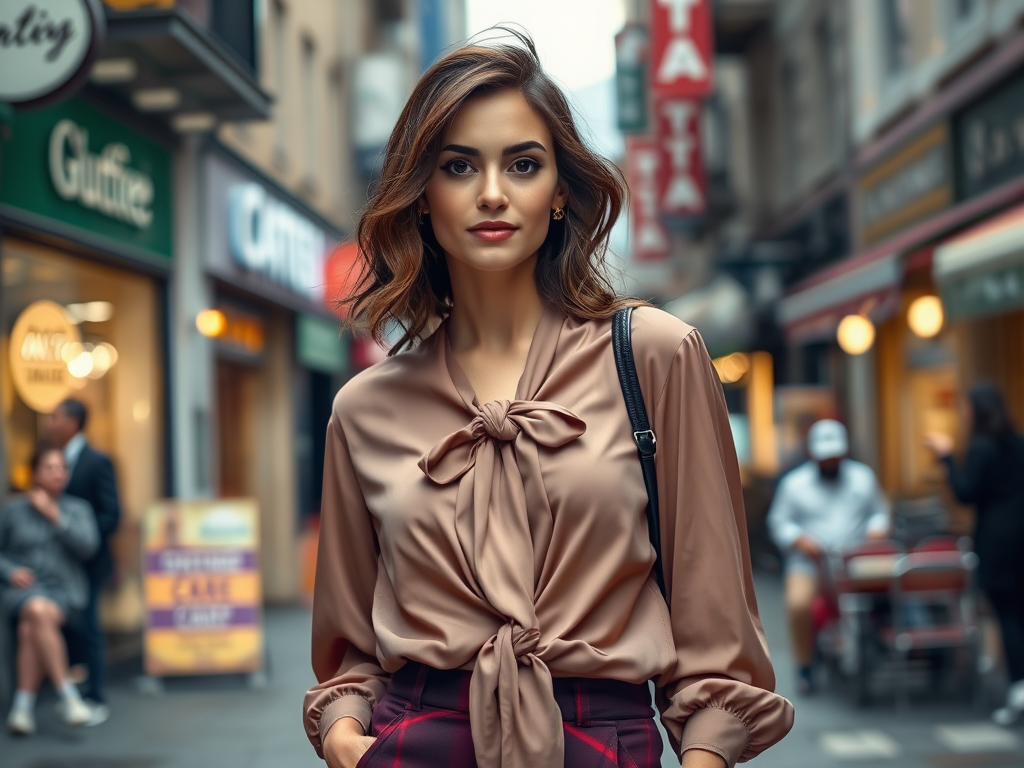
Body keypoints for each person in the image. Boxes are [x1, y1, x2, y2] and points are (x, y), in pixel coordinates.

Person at [303, 32, 793, 768]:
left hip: (600, 739)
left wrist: (705, 756)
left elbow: (714, 619)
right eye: (458, 165)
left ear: (561, 189)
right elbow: (348, 647)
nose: (492, 192)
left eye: (523, 165)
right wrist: (346, 738)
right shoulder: (364, 408)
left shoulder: (654, 354)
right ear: (422, 194)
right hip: (416, 740)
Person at [767, 419, 891, 694]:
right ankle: (804, 665)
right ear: (813, 455)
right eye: (826, 458)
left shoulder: (863, 477)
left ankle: (879, 645)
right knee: (798, 604)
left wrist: (876, 531)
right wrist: (799, 540)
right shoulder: (794, 484)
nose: (830, 462)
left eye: (835, 457)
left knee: (886, 595)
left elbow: (879, 513)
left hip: (856, 561)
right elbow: (778, 522)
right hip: (810, 563)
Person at [925, 383, 1024, 726]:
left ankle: (1018, 690)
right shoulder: (1018, 443)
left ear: (976, 411)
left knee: (1007, 615)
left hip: (997, 541)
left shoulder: (981, 448)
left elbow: (966, 493)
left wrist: (947, 457)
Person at [1, 444, 99, 734]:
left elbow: (88, 547)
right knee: (35, 608)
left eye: (62, 468)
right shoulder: (14, 510)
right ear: (35, 473)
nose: (58, 474)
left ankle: (22, 707)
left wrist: (56, 516)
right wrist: (10, 571)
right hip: (22, 591)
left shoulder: (77, 509)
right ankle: (68, 696)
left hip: (63, 592)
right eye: (50, 468)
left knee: (30, 628)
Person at [46, 398, 121, 726]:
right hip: (56, 563)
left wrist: (83, 536)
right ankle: (70, 690)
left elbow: (112, 514)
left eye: (55, 417)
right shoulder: (50, 458)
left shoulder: (97, 461)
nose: (50, 422)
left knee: (90, 627)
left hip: (89, 561)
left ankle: (96, 697)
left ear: (73, 423)